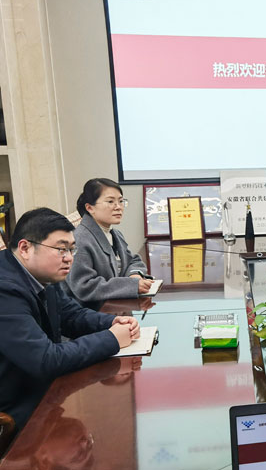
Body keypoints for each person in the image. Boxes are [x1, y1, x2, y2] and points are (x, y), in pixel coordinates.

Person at [0, 208, 139, 432]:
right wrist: (111, 339)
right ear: (25, 248)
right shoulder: (4, 290)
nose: (69, 258)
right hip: (16, 410)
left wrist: (111, 323)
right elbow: (45, 360)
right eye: (61, 249)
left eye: (72, 249)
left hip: (45, 391)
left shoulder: (41, 272)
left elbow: (72, 315)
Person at [64, 178, 152, 303]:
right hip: (91, 309)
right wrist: (131, 285)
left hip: (115, 304)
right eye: (110, 201)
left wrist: (134, 275)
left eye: (121, 201)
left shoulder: (115, 234)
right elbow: (84, 286)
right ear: (90, 208)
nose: (118, 207)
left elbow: (133, 260)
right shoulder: (80, 239)